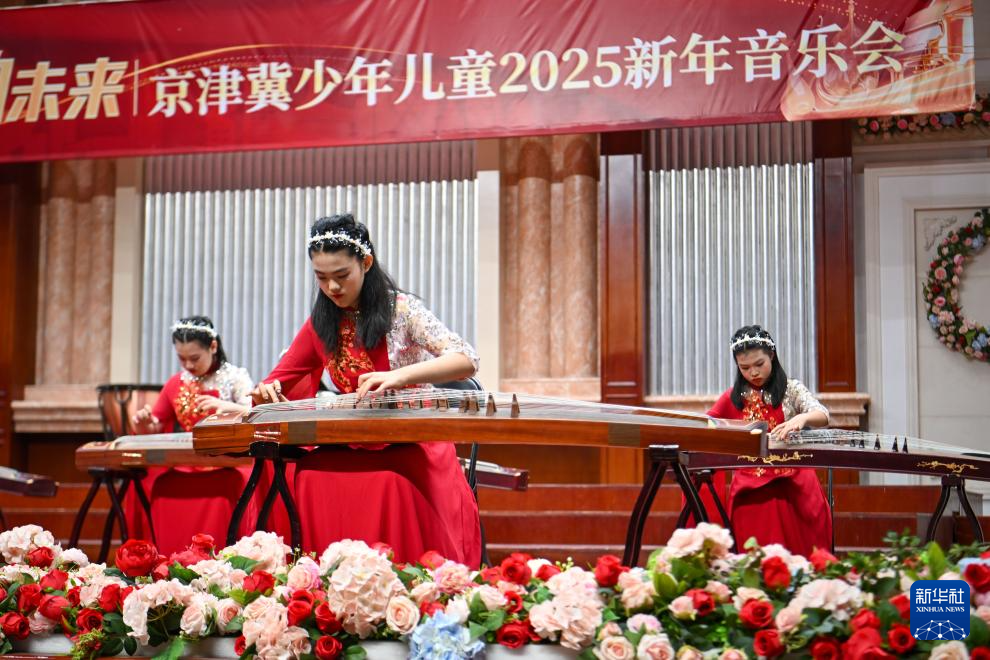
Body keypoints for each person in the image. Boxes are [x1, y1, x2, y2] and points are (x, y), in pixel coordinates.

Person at [253, 213, 482, 566]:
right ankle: (326, 581)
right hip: (353, 441)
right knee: (310, 471)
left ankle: (405, 577)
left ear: (366, 263)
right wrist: (263, 393)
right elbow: (278, 379)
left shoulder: (401, 311)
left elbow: (466, 359)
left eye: (342, 275)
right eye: (321, 278)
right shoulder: (322, 323)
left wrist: (400, 377)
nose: (332, 288)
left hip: (412, 443)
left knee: (392, 480)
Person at [128, 317, 256, 554]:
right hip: (189, 460)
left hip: (230, 461)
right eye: (181, 358)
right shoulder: (176, 383)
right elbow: (155, 426)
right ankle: (169, 559)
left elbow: (256, 414)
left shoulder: (236, 378)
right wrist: (144, 423)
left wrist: (226, 406)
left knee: (235, 484)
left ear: (213, 347)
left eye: (194, 358)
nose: (188, 365)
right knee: (158, 484)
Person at [706, 325, 832, 557]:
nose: (753, 373)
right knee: (754, 558)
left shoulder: (791, 389)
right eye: (744, 368)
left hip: (792, 485)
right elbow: (708, 424)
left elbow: (822, 414)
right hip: (750, 492)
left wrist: (802, 418)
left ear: (772, 356)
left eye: (759, 364)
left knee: (801, 554)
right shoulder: (733, 397)